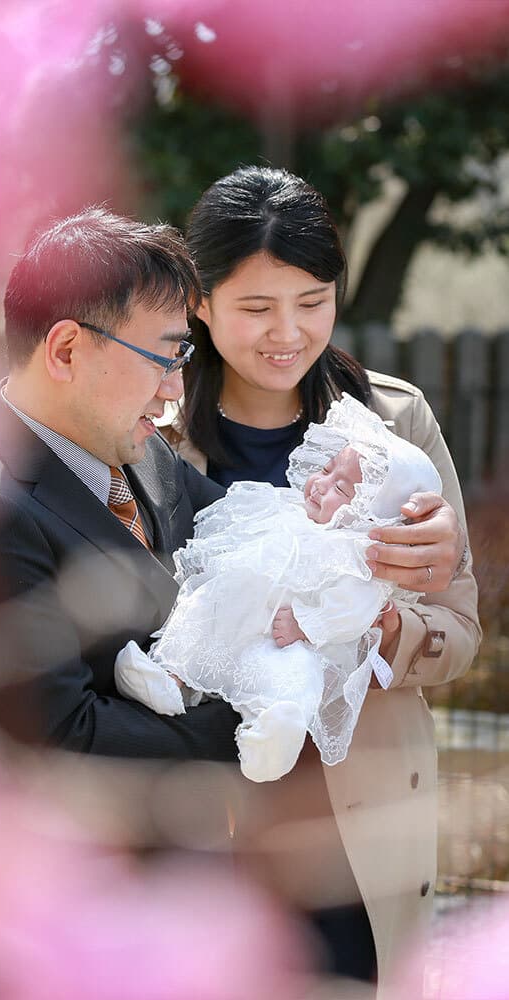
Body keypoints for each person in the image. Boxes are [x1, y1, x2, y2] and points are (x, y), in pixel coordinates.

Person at [0, 204, 468, 997]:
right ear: (68, 348)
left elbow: (262, 526)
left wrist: (389, 526)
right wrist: (259, 707)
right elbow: (63, 743)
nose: (177, 389)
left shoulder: (133, 453)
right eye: (164, 357)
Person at [158, 166, 480, 994]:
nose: (288, 334)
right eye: (257, 308)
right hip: (197, 812)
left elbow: (461, 632)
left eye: (313, 301)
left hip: (355, 818)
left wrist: (382, 626)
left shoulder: (396, 425)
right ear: (200, 301)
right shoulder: (149, 435)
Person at [116, 395, 444, 784]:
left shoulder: (358, 558)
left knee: (294, 673)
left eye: (341, 488)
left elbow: (353, 608)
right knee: (199, 614)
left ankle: (277, 729)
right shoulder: (284, 508)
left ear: (371, 515)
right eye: (326, 470)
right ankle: (166, 676)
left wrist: (306, 623)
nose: (320, 485)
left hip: (283, 639)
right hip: (235, 612)